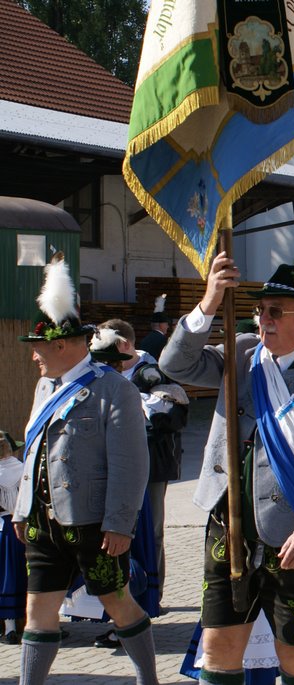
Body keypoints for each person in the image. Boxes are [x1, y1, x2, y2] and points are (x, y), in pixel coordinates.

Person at [160, 244, 294, 683]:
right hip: (228, 524)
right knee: (217, 645)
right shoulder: (239, 354)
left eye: (276, 311)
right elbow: (174, 364)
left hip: (292, 531)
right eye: (261, 310)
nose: (264, 320)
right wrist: (208, 303)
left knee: (292, 653)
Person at [14, 255, 156, 685]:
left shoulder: (112, 389)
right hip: (43, 521)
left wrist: (120, 523)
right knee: (37, 609)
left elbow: (131, 464)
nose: (34, 357)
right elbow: (36, 450)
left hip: (93, 522)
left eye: (38, 348)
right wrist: (23, 508)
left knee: (117, 602)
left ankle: (147, 678)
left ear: (60, 346)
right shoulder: (44, 387)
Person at [98, 319, 189, 617]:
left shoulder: (156, 373)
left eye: (107, 348)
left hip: (153, 463)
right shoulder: (107, 373)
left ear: (124, 345)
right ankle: (116, 598)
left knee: (152, 532)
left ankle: (151, 595)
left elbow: (171, 416)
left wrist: (135, 400)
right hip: (114, 464)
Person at [0, 430, 26, 645]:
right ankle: (17, 625)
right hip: (17, 527)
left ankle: (8, 627)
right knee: (17, 574)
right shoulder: (21, 468)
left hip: (5, 528)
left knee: (6, 575)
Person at [137, 293, 173, 361]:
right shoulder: (164, 340)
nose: (168, 326)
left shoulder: (144, 340)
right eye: (166, 324)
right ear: (161, 325)